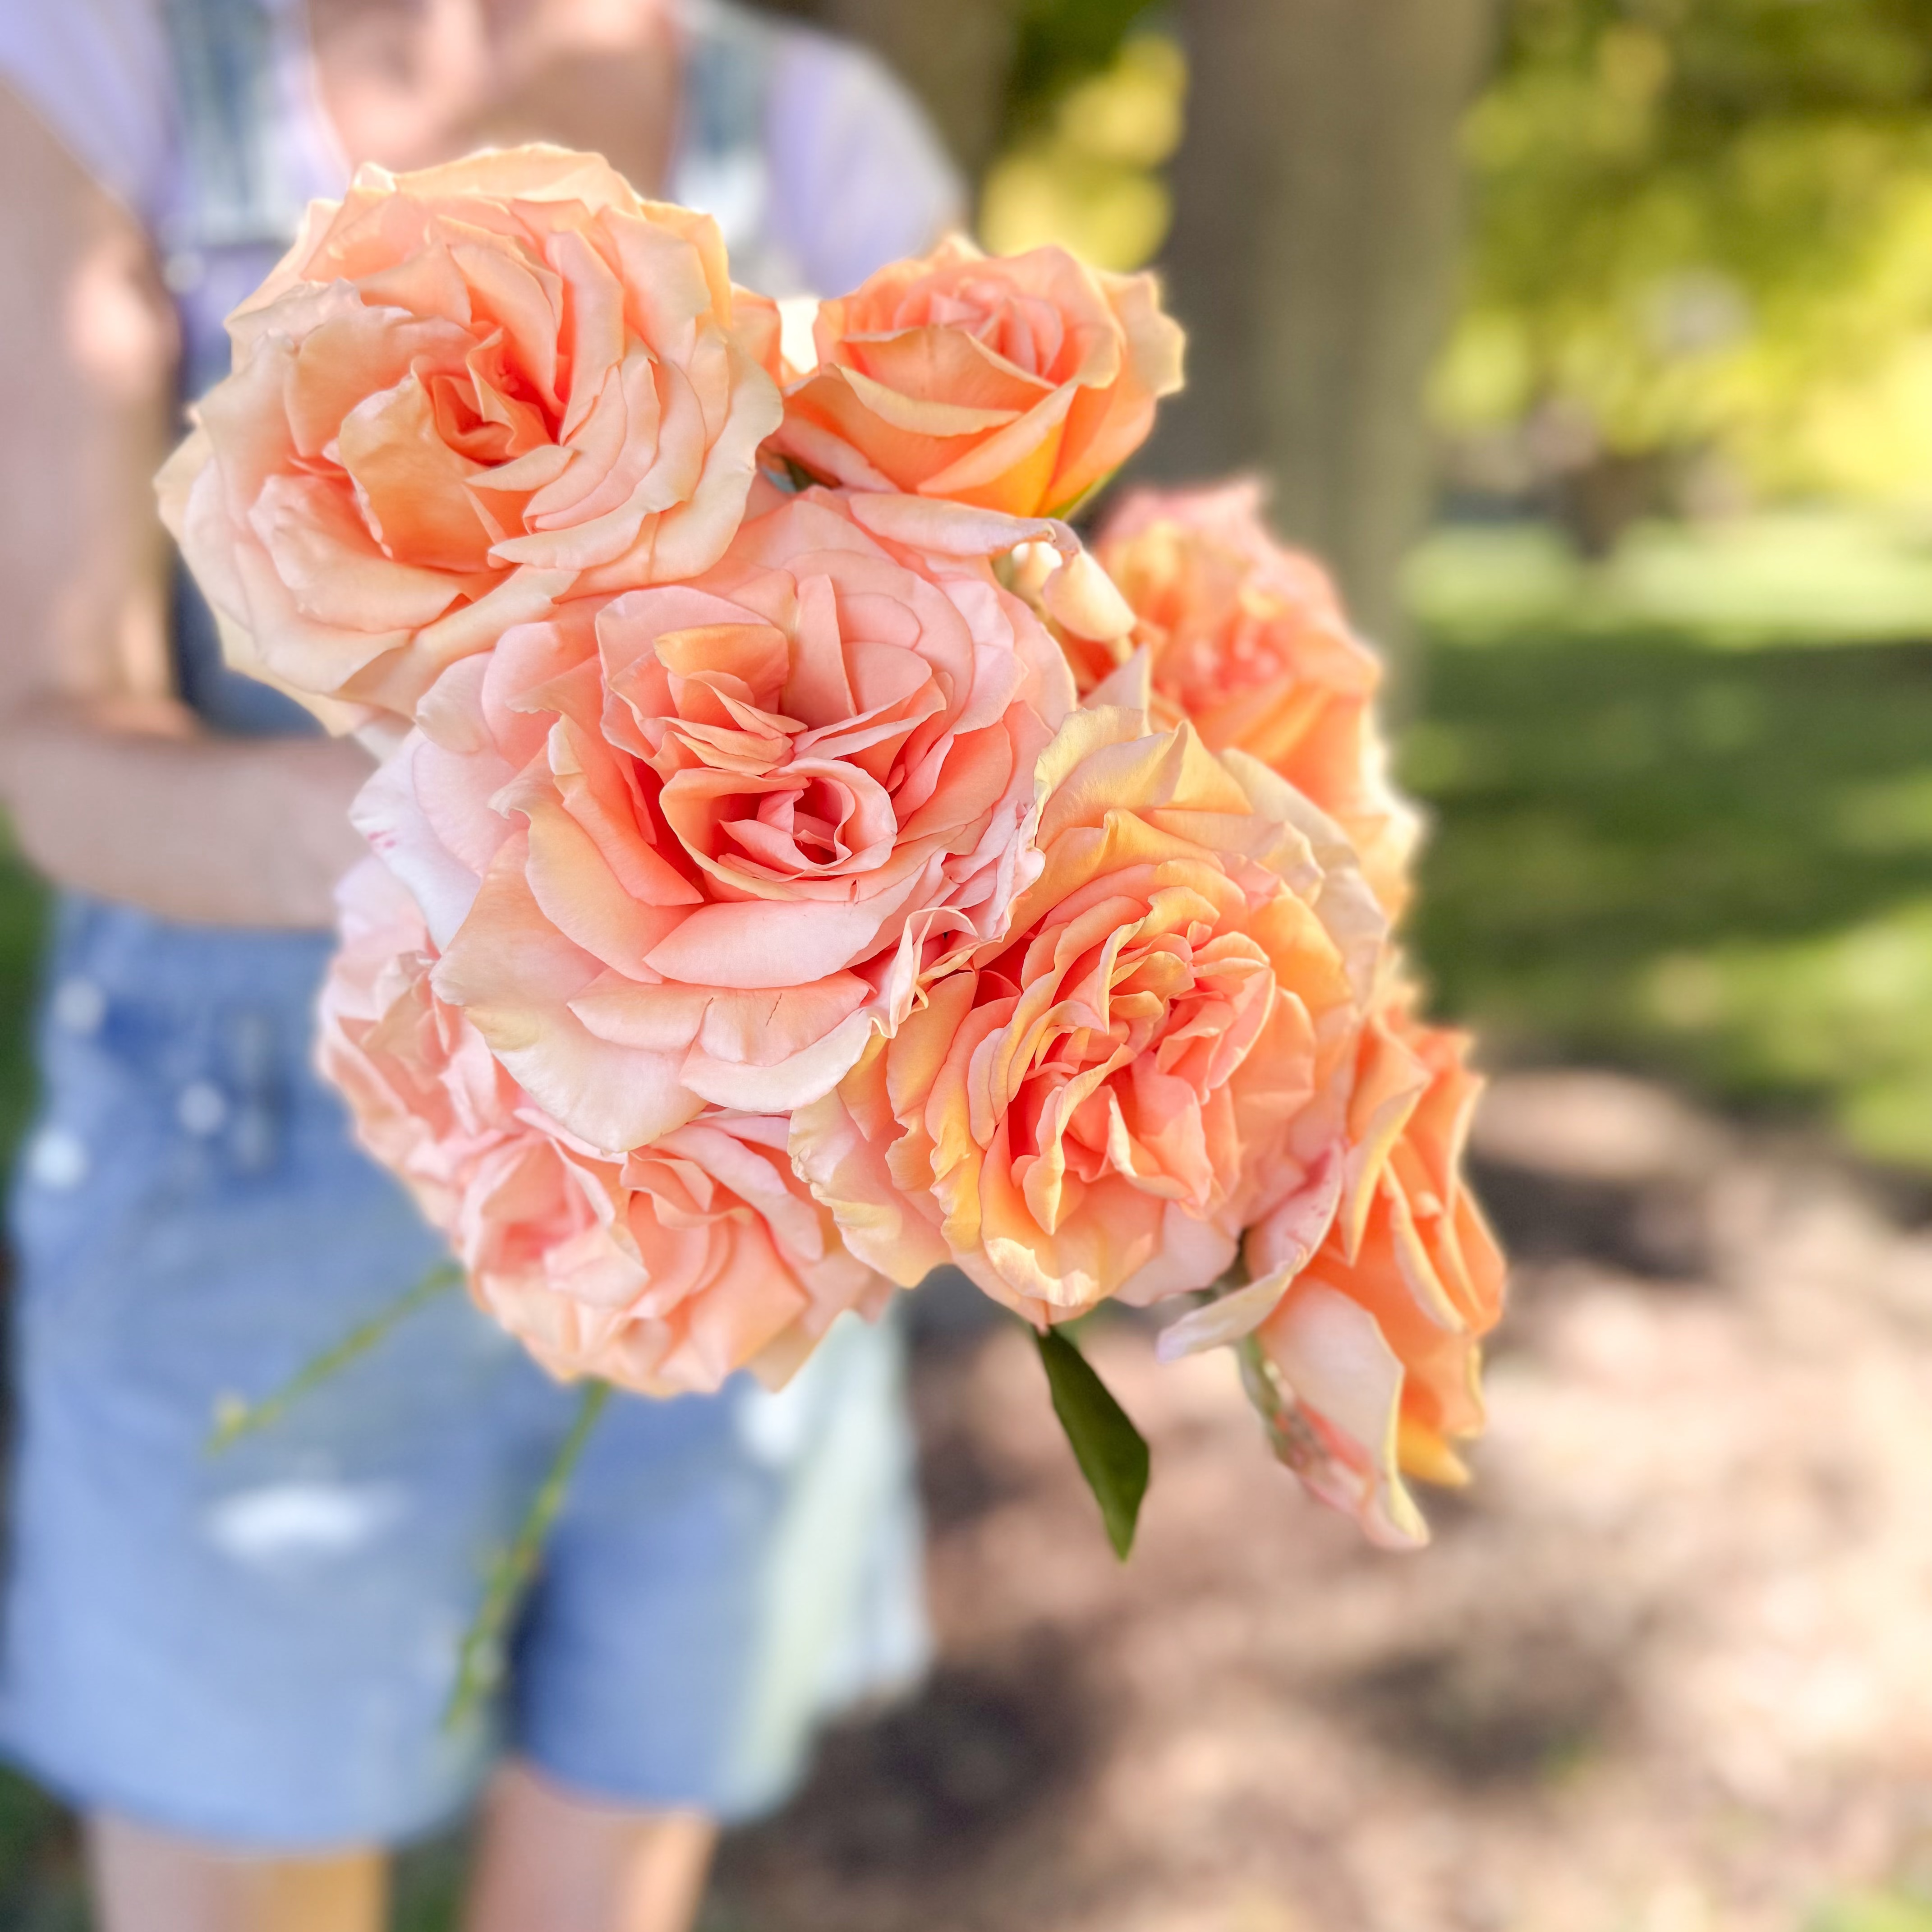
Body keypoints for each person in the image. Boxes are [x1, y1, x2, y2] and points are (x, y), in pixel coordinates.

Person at [0, 3, 964, 1927]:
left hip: (731, 1190)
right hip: (247, 1186)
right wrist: (450, 844)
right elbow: (48, 731)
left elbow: (958, 657)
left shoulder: (821, 135)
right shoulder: (98, 68)